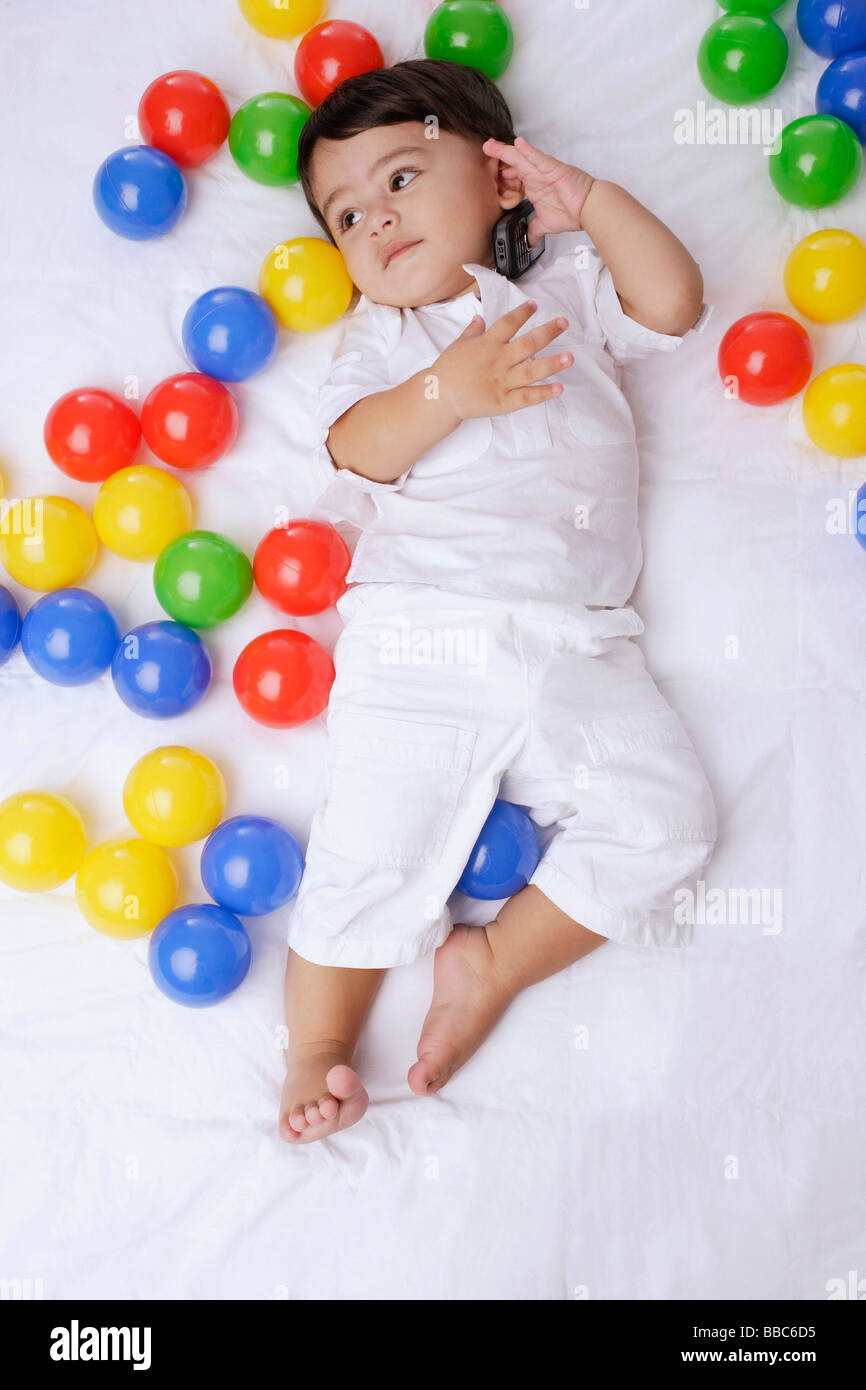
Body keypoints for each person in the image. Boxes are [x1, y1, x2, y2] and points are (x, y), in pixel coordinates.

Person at [278, 59, 717, 1144]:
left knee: (666, 821)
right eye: (346, 214)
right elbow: (354, 450)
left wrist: (592, 202)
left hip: (578, 642)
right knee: (368, 848)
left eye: (400, 179)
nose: (374, 220)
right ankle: (318, 1047)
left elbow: (674, 301)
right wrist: (447, 390)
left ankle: (492, 958)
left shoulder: (567, 285)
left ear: (497, 180)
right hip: (423, 633)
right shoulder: (382, 345)